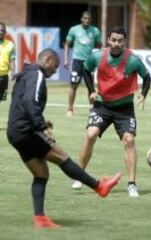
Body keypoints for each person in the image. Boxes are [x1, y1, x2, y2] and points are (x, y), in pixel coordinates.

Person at [7, 48, 121, 228]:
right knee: (61, 157)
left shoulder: (26, 73)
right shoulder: (36, 74)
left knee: (41, 173)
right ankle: (99, 186)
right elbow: (30, 101)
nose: (55, 70)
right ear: (48, 59)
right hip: (27, 131)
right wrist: (41, 126)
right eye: (55, 65)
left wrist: (41, 121)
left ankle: (40, 219)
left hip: (14, 133)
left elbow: (22, 103)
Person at [70, 26, 151, 198]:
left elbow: (147, 77)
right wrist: (91, 90)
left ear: (124, 42)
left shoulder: (133, 60)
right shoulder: (97, 56)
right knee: (90, 134)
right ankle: (79, 177)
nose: (116, 43)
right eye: (113, 40)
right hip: (102, 106)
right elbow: (85, 70)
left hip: (124, 108)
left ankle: (132, 185)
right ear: (108, 40)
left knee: (129, 140)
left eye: (120, 41)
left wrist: (143, 94)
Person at [64, 11, 102, 117]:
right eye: (85, 18)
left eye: (88, 19)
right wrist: (66, 59)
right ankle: (70, 109)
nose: (87, 20)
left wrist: (99, 59)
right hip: (77, 61)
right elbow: (67, 45)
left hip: (89, 62)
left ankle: (93, 109)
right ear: (81, 19)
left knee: (90, 87)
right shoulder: (74, 30)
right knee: (73, 85)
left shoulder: (95, 31)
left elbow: (99, 46)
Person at [0, 22, 15, 102]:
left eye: (2, 30)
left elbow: (12, 59)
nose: (0, 32)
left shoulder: (10, 45)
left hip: (3, 77)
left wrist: (13, 72)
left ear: (5, 32)